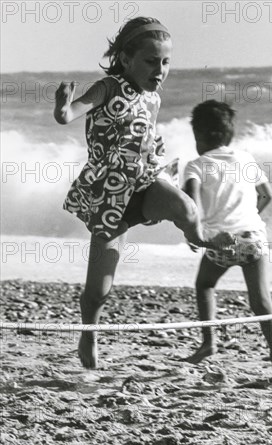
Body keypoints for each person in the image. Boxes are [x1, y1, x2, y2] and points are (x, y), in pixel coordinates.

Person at [54, 17, 223, 369]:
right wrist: (62, 106)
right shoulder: (108, 87)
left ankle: (202, 241)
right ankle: (89, 334)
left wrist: (154, 146)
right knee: (99, 290)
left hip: (144, 181)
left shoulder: (153, 97)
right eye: (151, 61)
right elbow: (71, 114)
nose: (159, 70)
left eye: (165, 62)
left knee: (187, 210)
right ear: (126, 58)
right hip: (109, 194)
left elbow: (144, 131)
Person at [183, 100, 272, 387]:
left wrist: (194, 233)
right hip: (253, 238)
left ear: (200, 137)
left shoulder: (196, 165)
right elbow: (266, 195)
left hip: (221, 243)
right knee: (260, 299)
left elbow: (190, 206)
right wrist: (249, 221)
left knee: (205, 285)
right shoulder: (245, 158)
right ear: (228, 135)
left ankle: (208, 343)